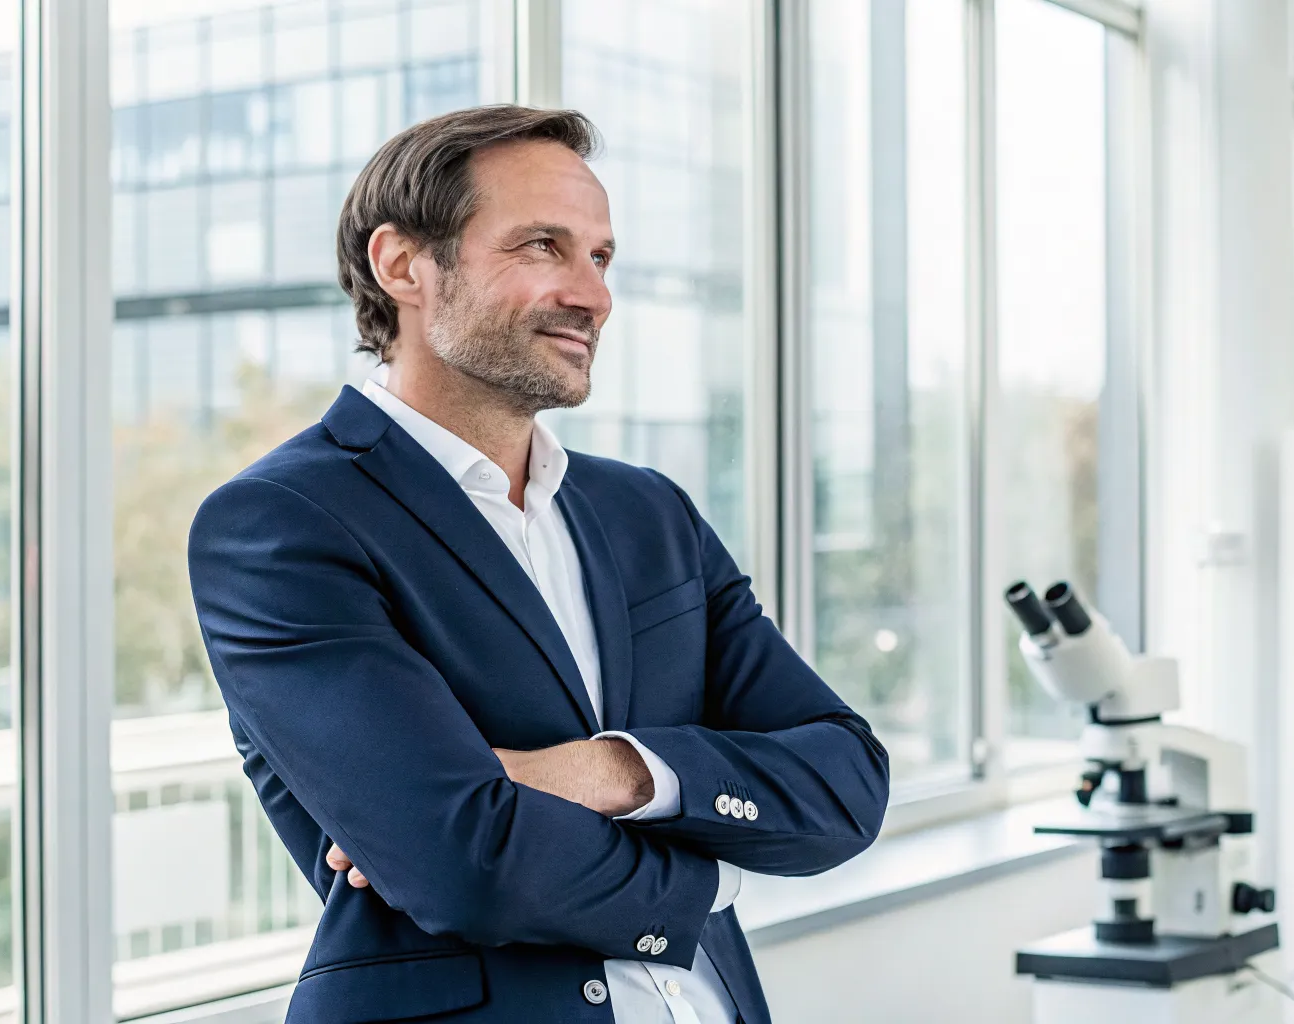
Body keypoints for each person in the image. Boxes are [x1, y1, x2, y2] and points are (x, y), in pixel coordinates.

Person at [187, 104, 889, 1024]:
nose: (593, 295)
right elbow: (464, 864)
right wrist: (706, 879)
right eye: (542, 247)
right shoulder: (280, 525)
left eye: (599, 257)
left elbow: (846, 781)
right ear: (402, 265)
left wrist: (615, 774)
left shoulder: (648, 512)